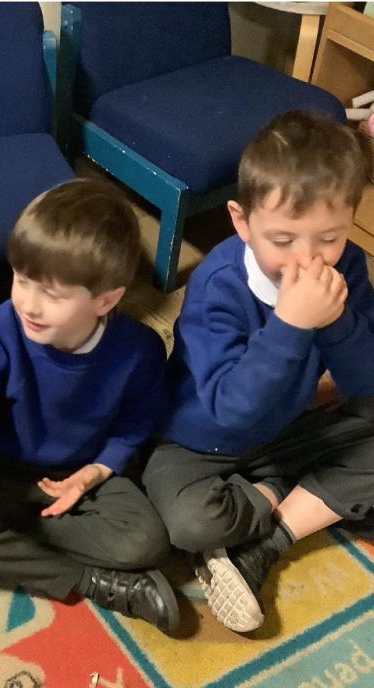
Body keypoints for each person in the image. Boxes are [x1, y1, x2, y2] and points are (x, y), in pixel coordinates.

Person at [0, 178, 179, 633]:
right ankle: (91, 581)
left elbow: (136, 422)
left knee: (146, 541)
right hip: (3, 467)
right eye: (22, 280)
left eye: (53, 294)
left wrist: (97, 471)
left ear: (106, 299)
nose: (28, 304)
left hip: (82, 472)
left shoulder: (139, 349)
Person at [142, 109, 374, 633]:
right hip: (199, 442)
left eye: (329, 237)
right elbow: (229, 410)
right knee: (189, 524)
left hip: (285, 429)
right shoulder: (217, 285)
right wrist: (291, 324)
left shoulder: (347, 268)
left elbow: (364, 381)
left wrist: (336, 321)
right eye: (283, 240)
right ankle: (298, 494)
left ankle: (270, 539)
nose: (307, 260)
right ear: (241, 220)